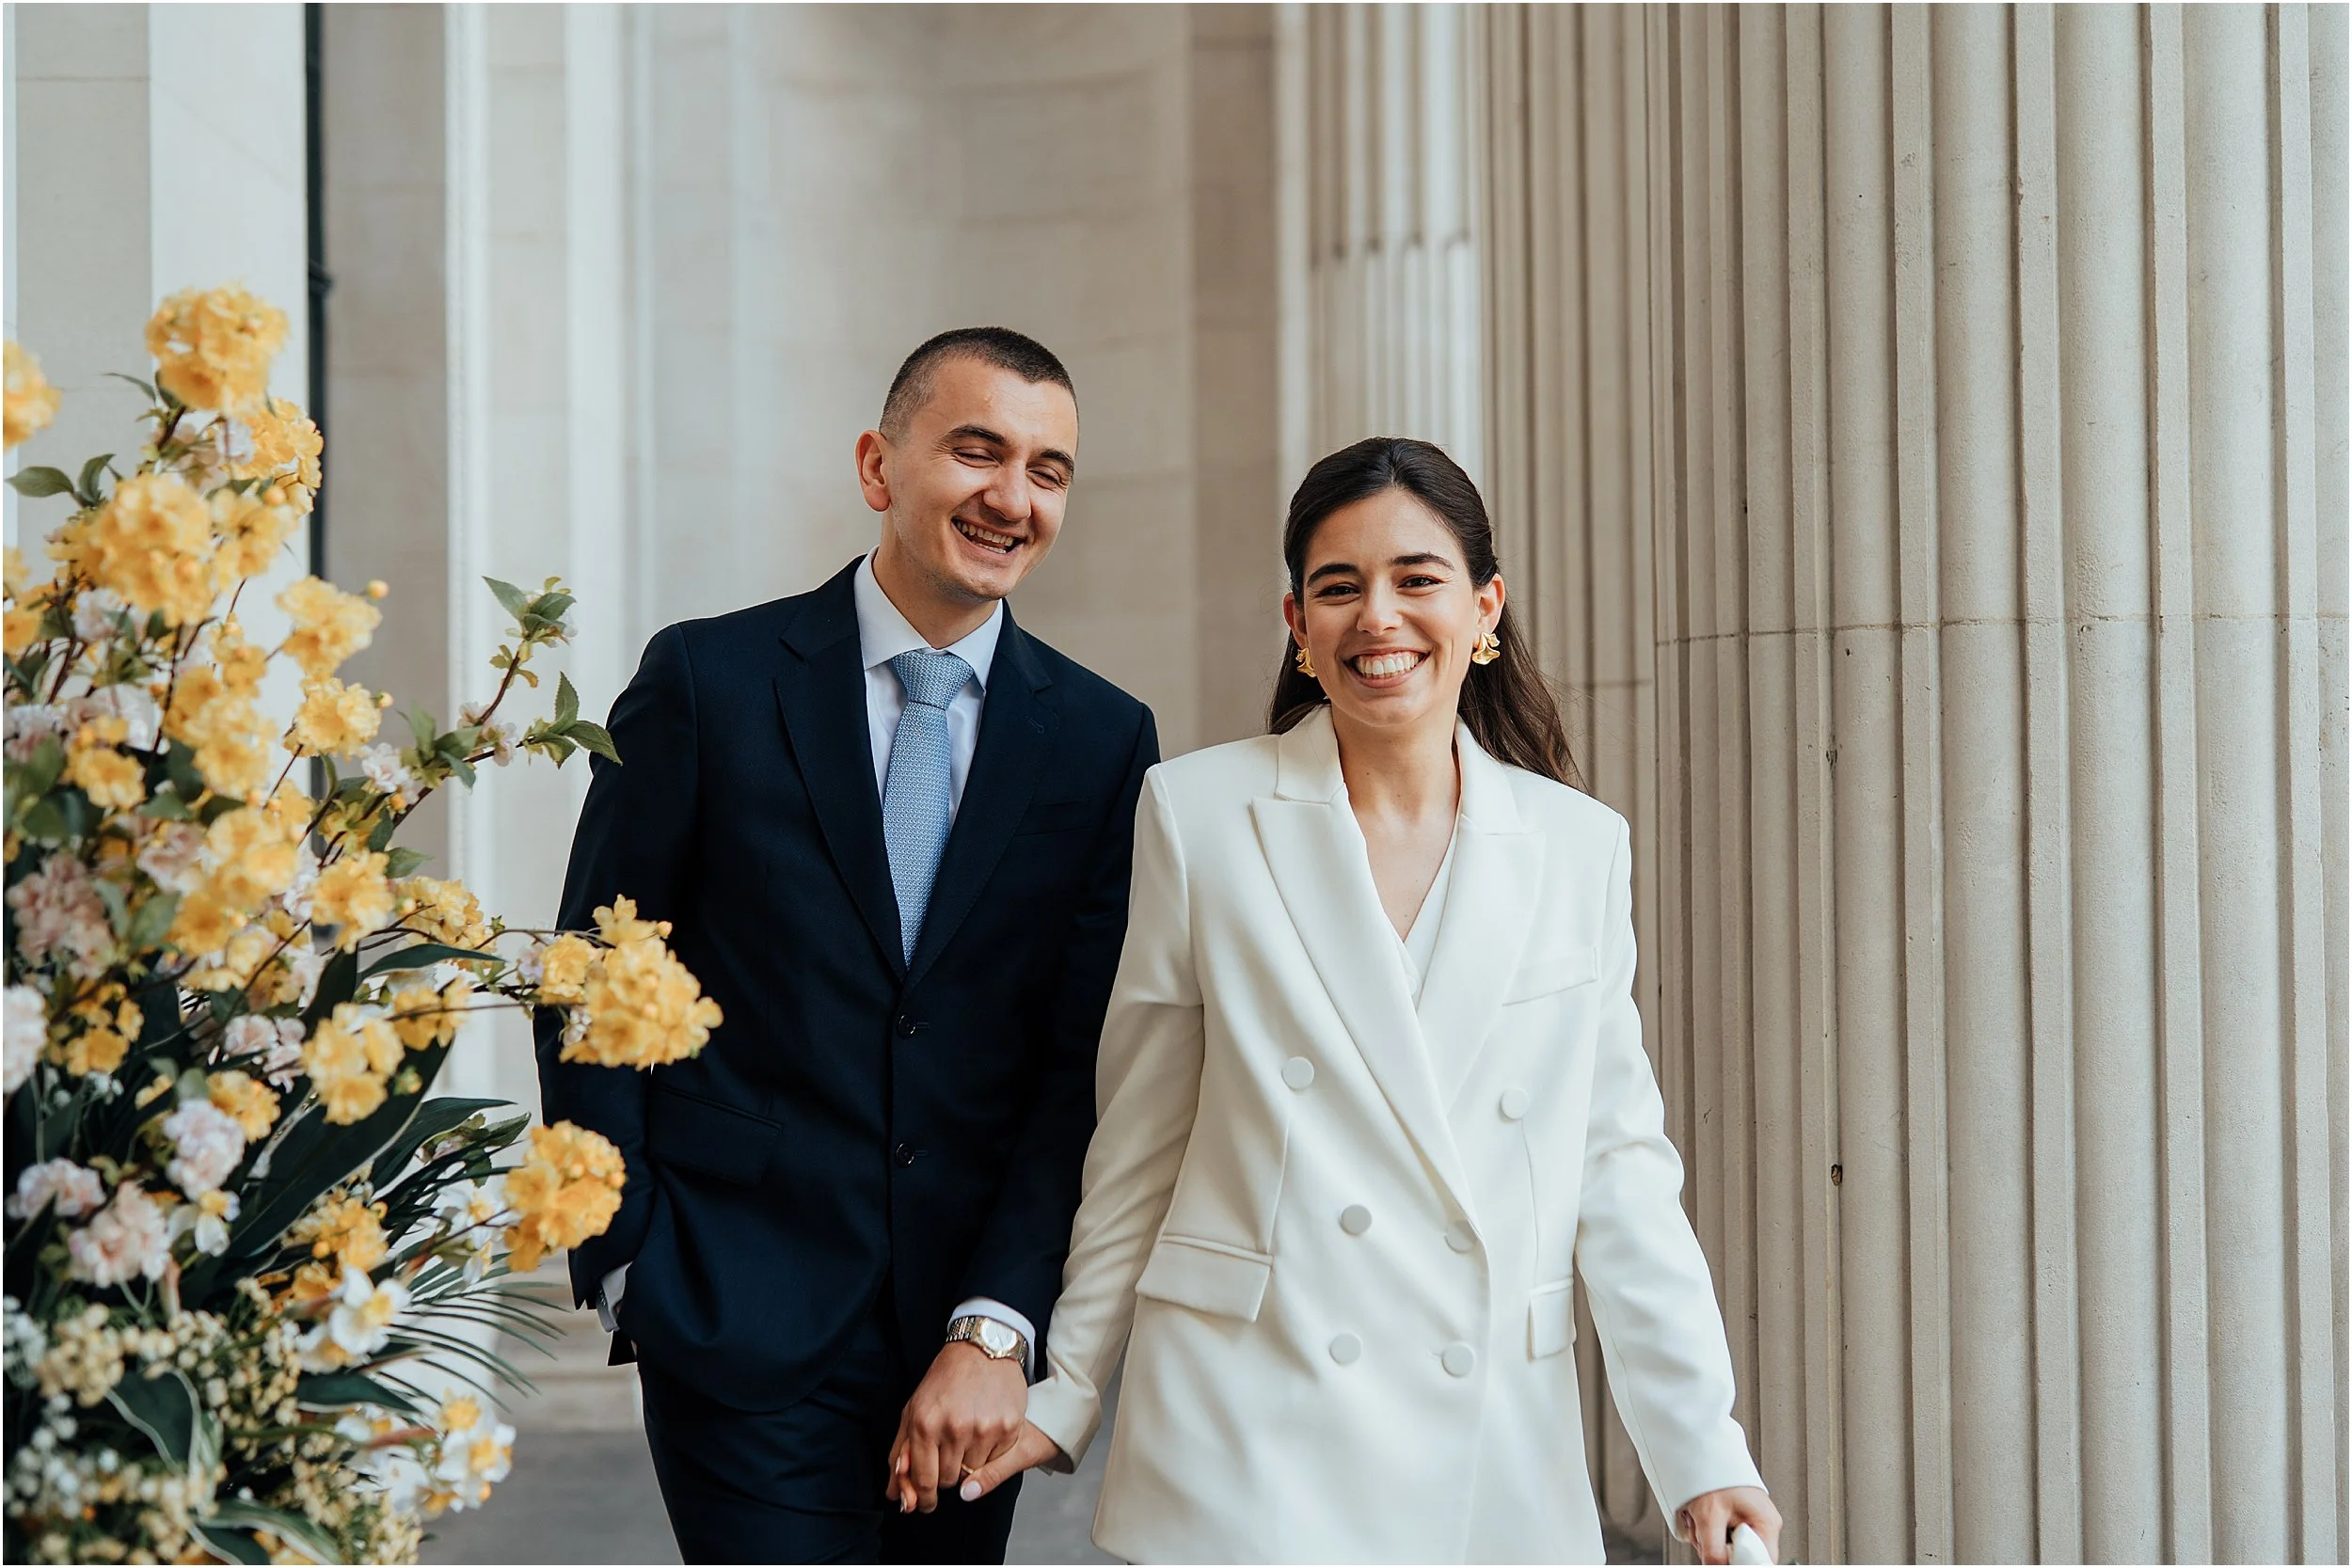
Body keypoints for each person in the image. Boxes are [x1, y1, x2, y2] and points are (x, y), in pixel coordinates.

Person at [951, 436, 1779, 1564]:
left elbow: (1619, 1168)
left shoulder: (1576, 846)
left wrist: (1702, 1448)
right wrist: (1070, 1382)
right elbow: (1141, 1140)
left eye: (1416, 579)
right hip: (1246, 1436)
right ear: (1296, 625)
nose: (1376, 616)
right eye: (1337, 587)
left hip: (1485, 1437)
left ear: (1484, 608)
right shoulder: (1198, 815)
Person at [536, 327, 1157, 1563]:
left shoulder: (1101, 740)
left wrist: (997, 1323)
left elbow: (1076, 1062)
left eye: (1048, 469)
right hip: (732, 1307)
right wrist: (626, 1258)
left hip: (965, 1347)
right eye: (975, 450)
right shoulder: (709, 680)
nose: (1011, 495)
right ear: (880, 465)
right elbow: (595, 970)